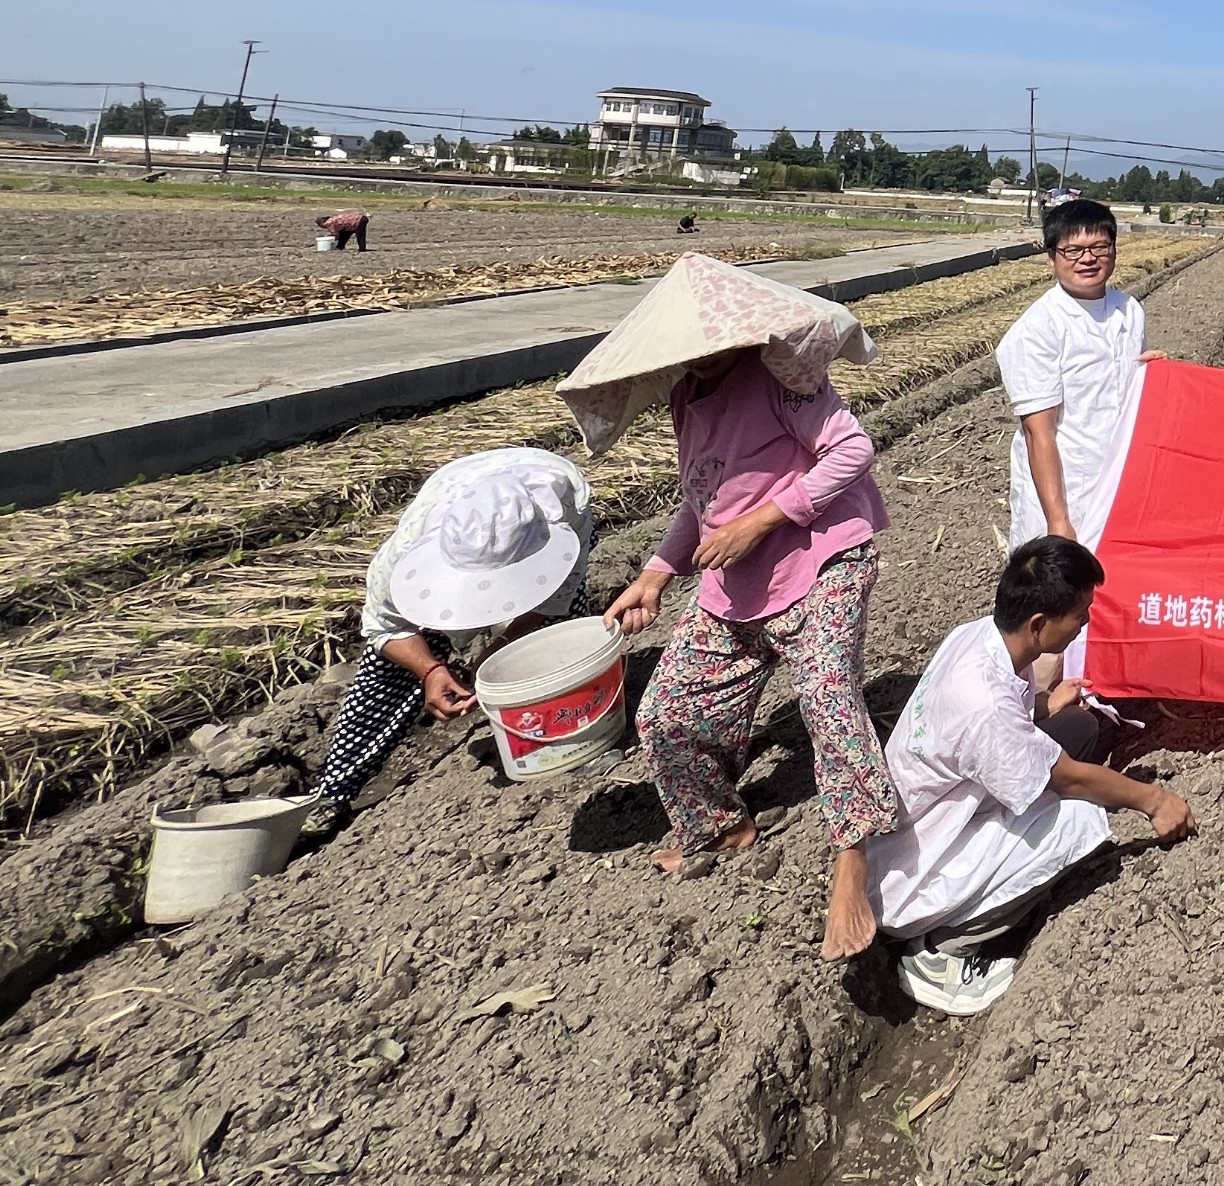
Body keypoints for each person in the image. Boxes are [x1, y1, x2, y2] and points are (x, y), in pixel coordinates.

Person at [604, 341, 901, 958]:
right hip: (738, 583)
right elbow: (702, 501)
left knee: (827, 700)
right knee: (665, 715)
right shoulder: (686, 396)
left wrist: (762, 520)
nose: (703, 354)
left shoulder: (780, 375)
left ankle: (855, 856)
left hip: (821, 563)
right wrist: (654, 576)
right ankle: (720, 826)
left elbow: (853, 449)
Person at [869, 537, 1195, 1015]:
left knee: (1077, 728)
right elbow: (1067, 778)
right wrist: (1155, 800)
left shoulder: (977, 638)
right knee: (1077, 821)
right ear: (1039, 624)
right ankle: (941, 950)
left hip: (932, 825)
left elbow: (1016, 724)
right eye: (1080, 613)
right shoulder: (984, 703)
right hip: (910, 878)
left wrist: (1046, 703)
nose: (1086, 622)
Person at [310, 448, 595, 821]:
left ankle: (573, 722)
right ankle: (331, 794)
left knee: (559, 633)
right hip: (454, 495)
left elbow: (556, 598)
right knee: (385, 674)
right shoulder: (399, 560)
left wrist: (502, 646)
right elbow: (385, 627)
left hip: (545, 508)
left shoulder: (566, 510)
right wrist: (429, 670)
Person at [994, 198, 1161, 687]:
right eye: (1072, 250)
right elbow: (1039, 431)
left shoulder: (1128, 311)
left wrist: (1156, 375)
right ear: (1052, 256)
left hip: (1114, 484)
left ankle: (1096, 690)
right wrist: (1058, 521)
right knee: (1052, 608)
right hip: (1064, 489)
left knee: (1107, 596)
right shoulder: (1037, 330)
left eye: (1099, 246)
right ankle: (1034, 707)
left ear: (1114, 249)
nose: (1087, 258)